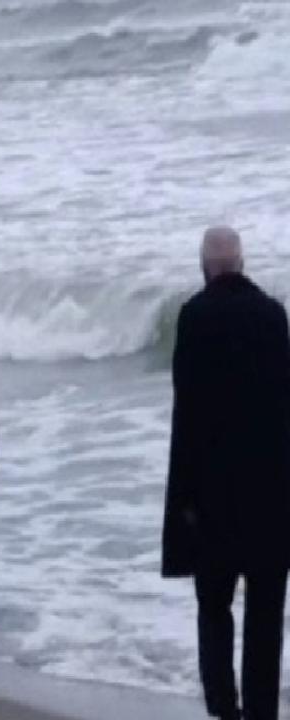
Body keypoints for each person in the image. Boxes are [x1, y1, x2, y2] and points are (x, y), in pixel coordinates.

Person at [163, 227, 290, 720]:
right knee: (265, 616)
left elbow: (188, 414)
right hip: (271, 494)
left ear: (205, 266)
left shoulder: (194, 316)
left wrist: (184, 499)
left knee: (214, 608)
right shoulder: (274, 315)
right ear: (241, 263)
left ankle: (223, 707)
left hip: (213, 496)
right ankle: (261, 712)